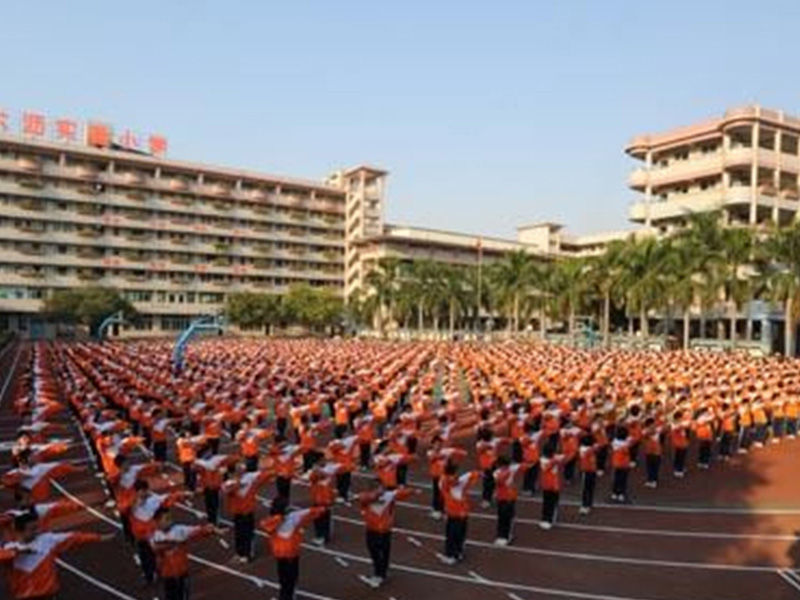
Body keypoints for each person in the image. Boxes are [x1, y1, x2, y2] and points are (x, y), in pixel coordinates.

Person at [0, 511, 114, 600]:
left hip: (48, 594)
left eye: (37, 528)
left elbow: (74, 537)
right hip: (24, 597)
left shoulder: (47, 540)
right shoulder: (8, 548)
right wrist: (17, 552)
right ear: (19, 531)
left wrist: (98, 537)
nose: (37, 531)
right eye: (32, 529)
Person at [259, 498, 325, 600]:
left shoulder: (292, 517)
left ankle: (287, 596)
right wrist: (281, 517)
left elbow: (310, 512)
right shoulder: (275, 520)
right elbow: (265, 525)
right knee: (285, 577)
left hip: (289, 553)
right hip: (284, 554)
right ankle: (286, 595)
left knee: (288, 577)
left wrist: (321, 509)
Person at [150, 507, 219, 600]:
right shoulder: (154, 534)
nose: (170, 521)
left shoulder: (179, 530)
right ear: (157, 521)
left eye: (170, 518)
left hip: (181, 572)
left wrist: (211, 530)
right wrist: (175, 543)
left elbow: (196, 530)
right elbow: (155, 548)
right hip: (167, 573)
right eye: (166, 519)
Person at [358, 485, 417, 588]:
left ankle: (379, 574)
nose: (380, 490)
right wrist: (376, 495)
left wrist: (412, 491)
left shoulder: (389, 496)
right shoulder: (367, 496)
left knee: (382, 552)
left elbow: (403, 492)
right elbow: (363, 498)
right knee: (377, 552)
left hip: (383, 530)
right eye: (377, 488)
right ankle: (381, 573)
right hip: (374, 529)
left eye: (381, 488)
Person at [223, 462, 274, 563]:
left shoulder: (250, 478)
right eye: (238, 470)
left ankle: (247, 554)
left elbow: (265, 474)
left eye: (241, 470)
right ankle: (239, 553)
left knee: (248, 533)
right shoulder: (229, 482)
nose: (240, 472)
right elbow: (227, 490)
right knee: (238, 533)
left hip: (248, 511)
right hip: (237, 512)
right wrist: (239, 483)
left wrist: (271, 470)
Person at [436, 464, 480, 565]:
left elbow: (467, 476)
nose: (455, 478)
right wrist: (474, 474)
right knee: (455, 534)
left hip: (458, 513)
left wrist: (475, 473)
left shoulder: (454, 482)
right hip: (457, 513)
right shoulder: (448, 482)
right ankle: (456, 553)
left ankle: (454, 555)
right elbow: (461, 478)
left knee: (455, 534)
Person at [493, 456, 522, 544]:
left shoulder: (510, 469)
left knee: (508, 517)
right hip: (501, 498)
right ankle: (500, 535)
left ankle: (507, 536)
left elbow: (524, 465)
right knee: (501, 517)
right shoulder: (496, 473)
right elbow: (499, 482)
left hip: (510, 498)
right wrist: (508, 473)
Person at [538, 443, 564, 529]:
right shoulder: (542, 460)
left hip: (554, 485)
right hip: (547, 485)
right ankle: (546, 518)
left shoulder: (555, 458)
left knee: (553, 502)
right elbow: (546, 468)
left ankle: (551, 519)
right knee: (547, 502)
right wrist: (555, 460)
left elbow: (565, 457)